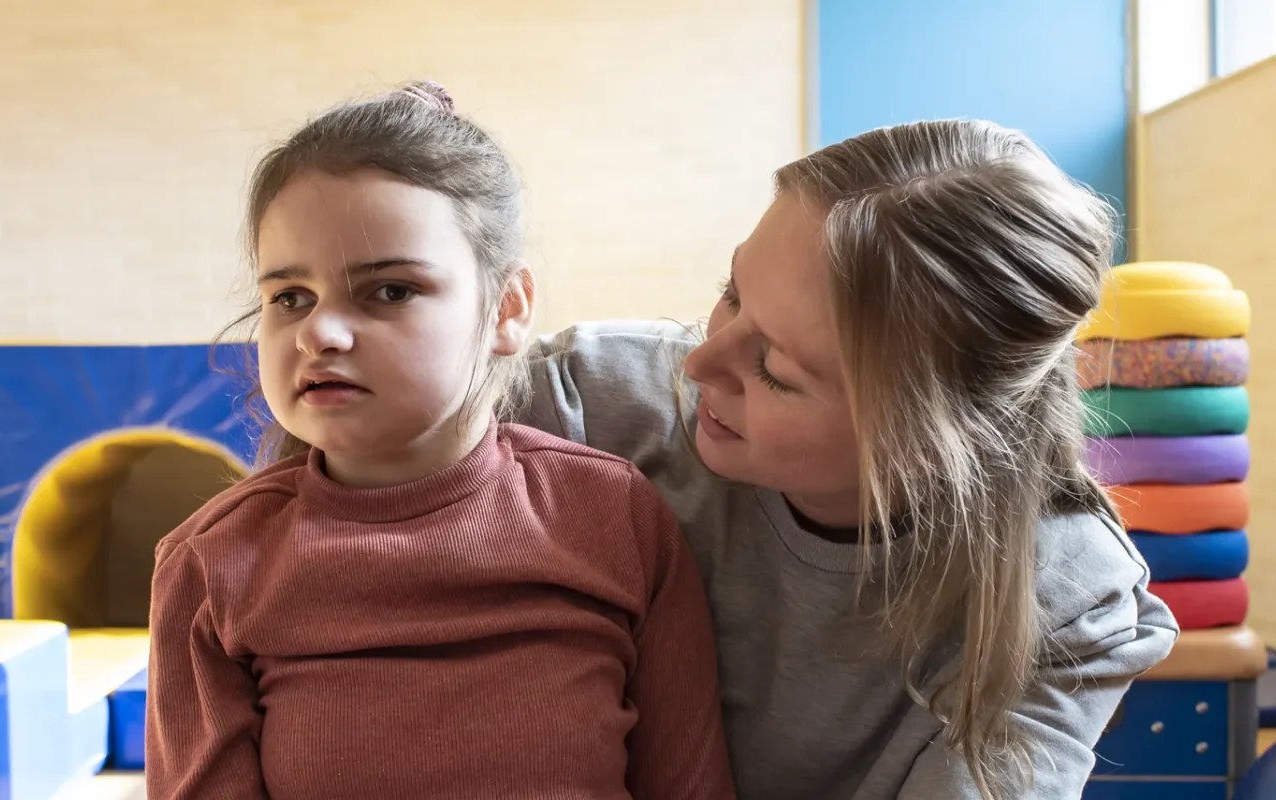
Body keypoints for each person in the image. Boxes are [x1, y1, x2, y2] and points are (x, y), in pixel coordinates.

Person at [516, 119, 1180, 799]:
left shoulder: (1065, 603)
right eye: (732, 292)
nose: (700, 363)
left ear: (932, 442)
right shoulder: (585, 400)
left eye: (774, 371)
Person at [144, 81, 736, 800]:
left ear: (507, 308)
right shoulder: (210, 564)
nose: (319, 332)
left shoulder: (614, 515)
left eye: (390, 290)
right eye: (290, 297)